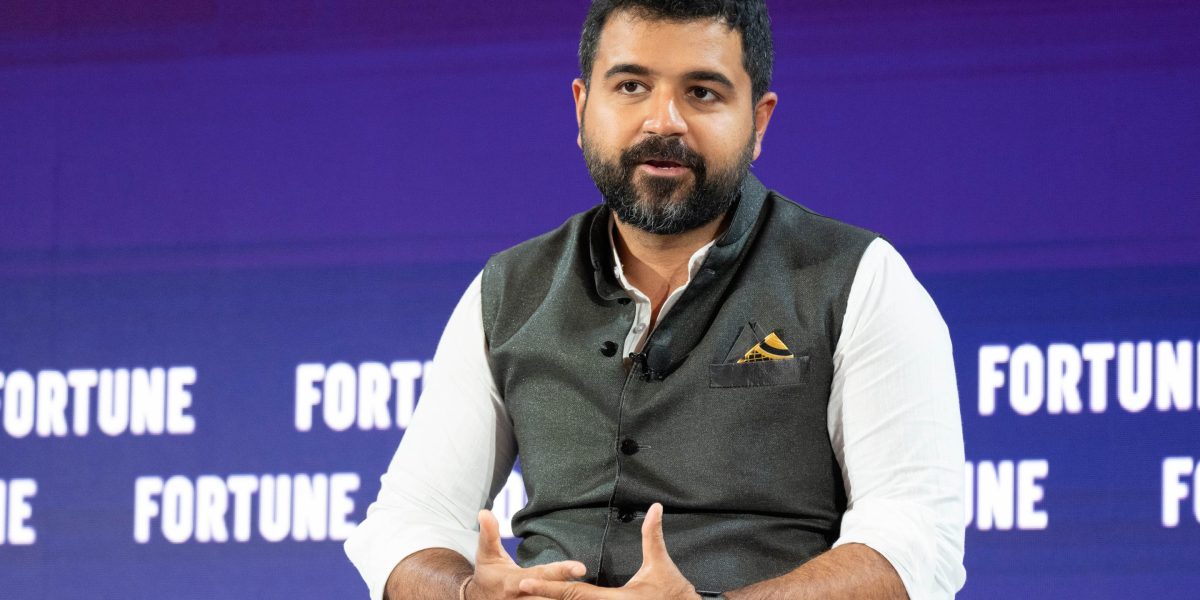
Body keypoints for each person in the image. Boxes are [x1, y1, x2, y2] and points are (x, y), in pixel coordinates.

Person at [345, 1, 966, 599]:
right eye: (632, 86)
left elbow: (916, 545)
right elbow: (410, 520)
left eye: (702, 92)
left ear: (759, 122)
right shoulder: (508, 289)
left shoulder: (860, 280)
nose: (663, 121)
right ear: (582, 107)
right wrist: (464, 594)